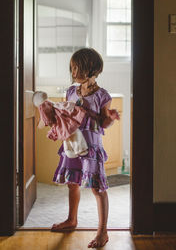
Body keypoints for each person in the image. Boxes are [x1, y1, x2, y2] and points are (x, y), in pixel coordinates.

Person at [51, 48, 120, 248]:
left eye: (76, 68)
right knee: (73, 183)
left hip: (90, 146)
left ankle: (102, 231)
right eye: (71, 68)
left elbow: (103, 123)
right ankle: (72, 219)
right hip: (72, 143)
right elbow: (65, 114)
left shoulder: (102, 95)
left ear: (91, 69)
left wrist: (111, 118)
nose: (73, 72)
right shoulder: (71, 91)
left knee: (97, 188)